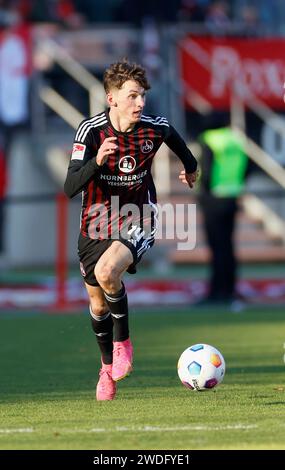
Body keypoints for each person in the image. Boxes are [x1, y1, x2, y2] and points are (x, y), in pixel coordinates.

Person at [64, 59, 198, 401]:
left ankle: (123, 342)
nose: (140, 103)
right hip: (95, 222)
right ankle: (106, 369)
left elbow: (183, 150)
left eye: (143, 96)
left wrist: (191, 170)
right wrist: (97, 162)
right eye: (133, 96)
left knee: (109, 272)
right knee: (96, 304)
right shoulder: (91, 132)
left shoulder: (155, 128)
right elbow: (69, 187)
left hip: (139, 214)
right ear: (112, 99)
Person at [197, 119, 248, 304]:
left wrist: (202, 193)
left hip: (214, 200)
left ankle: (217, 292)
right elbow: (247, 167)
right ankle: (230, 289)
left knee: (217, 248)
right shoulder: (236, 139)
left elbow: (207, 171)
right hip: (232, 197)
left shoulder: (210, 139)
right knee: (228, 247)